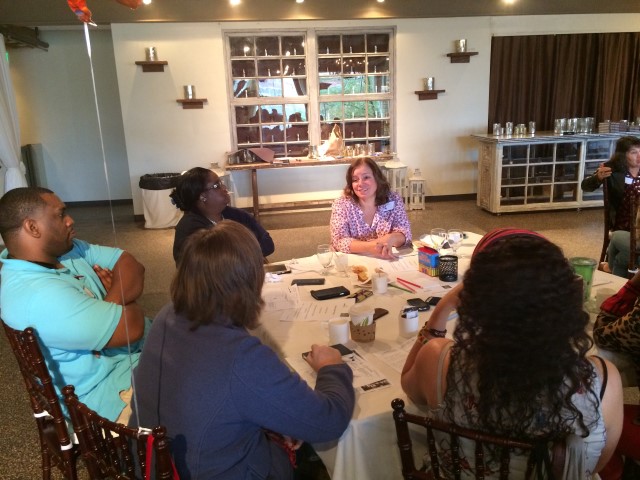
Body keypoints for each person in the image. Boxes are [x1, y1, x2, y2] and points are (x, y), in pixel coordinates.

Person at [130, 223, 355, 479]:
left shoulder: (167, 314)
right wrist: (331, 368)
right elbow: (328, 422)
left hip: (149, 463)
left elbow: (216, 396)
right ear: (250, 280)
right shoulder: (241, 356)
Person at [401, 228, 623, 478]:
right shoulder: (603, 381)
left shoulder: (438, 359)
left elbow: (408, 383)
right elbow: (592, 467)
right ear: (565, 306)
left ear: (475, 303)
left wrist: (442, 307)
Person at [0, 187, 148, 422]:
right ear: (32, 227)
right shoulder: (40, 294)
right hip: (111, 392)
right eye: (60, 214)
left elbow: (130, 263)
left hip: (135, 358)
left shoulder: (66, 251)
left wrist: (112, 303)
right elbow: (132, 328)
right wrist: (124, 301)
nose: (70, 220)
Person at [170, 167, 274, 263]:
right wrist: (251, 250)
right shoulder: (190, 229)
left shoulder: (237, 215)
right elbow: (216, 266)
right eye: (217, 185)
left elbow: (268, 244)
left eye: (221, 183)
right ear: (202, 196)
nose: (224, 187)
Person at [330, 157, 411, 259]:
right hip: (353, 261)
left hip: (386, 259)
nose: (360, 184)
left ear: (377, 178)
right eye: (355, 180)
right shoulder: (342, 204)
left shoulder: (393, 199)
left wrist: (390, 239)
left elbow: (405, 233)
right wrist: (370, 247)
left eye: (366, 177)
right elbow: (339, 241)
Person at [581, 136, 640, 277]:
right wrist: (598, 177)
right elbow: (586, 186)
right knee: (630, 249)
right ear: (623, 155)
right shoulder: (612, 169)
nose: (639, 156)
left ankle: (612, 266)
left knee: (626, 254)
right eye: (634, 152)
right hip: (623, 222)